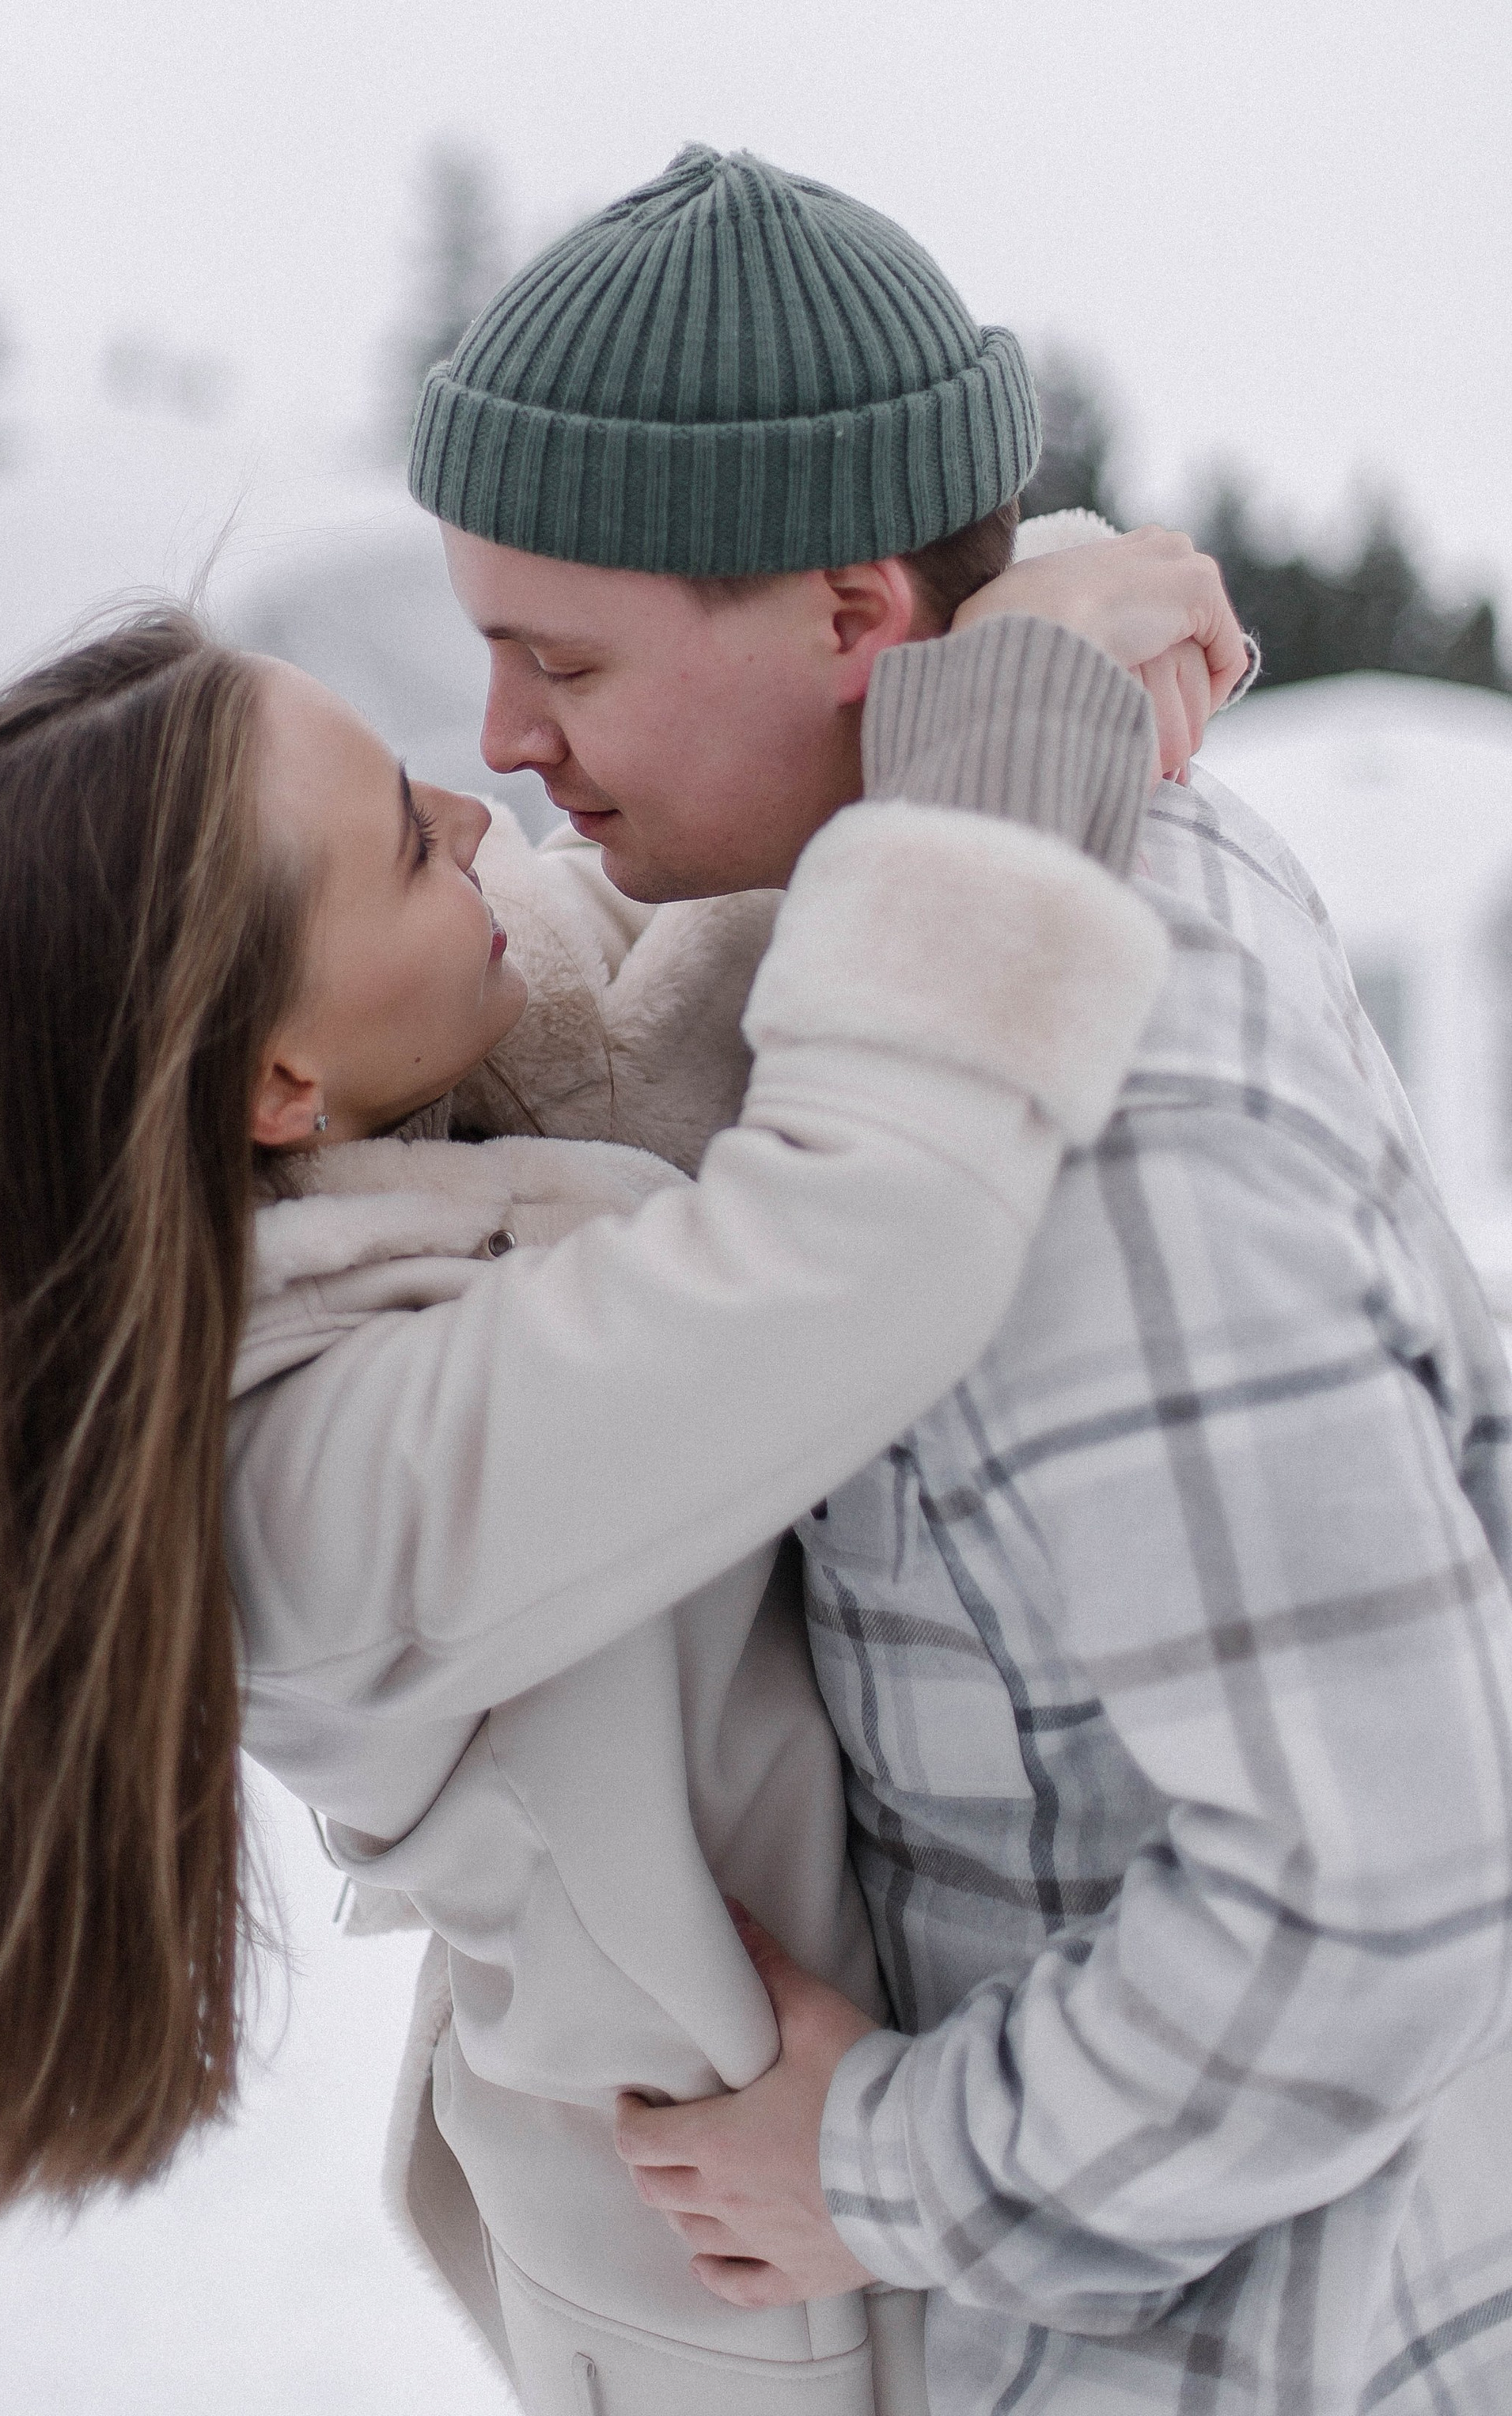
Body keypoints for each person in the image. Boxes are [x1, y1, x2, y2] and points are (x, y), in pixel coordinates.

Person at [0, 524, 1234, 2413]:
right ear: (273, 1084)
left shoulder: (385, 1101)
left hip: (919, 2172)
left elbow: (722, 920)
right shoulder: (318, 1505)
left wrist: (1025, 588)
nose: (479, 812)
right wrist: (1029, 679)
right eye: (406, 846)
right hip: (752, 2291)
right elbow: (870, 1237)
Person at [402, 144, 1512, 2414]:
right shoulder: (962, 919)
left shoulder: (1107, 1122)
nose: (504, 742)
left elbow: (1376, 1894)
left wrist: (885, 2167)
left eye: (562, 661)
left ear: (851, 617)